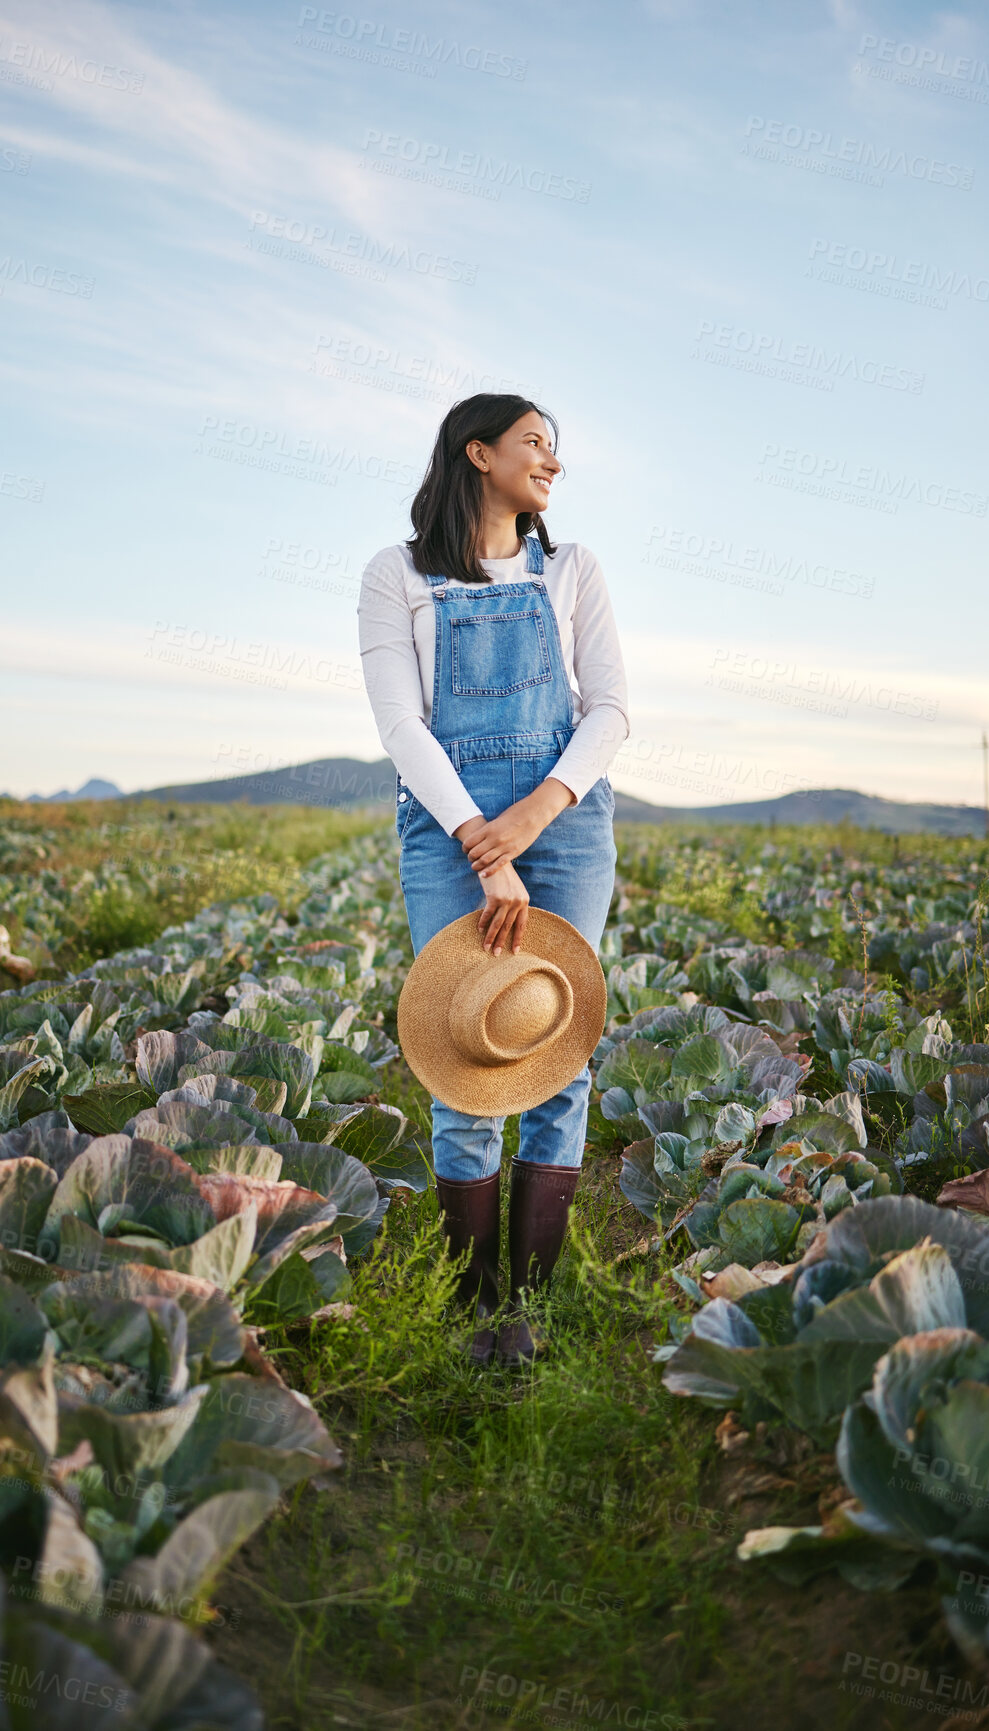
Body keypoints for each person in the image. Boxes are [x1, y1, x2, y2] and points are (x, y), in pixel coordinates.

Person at [357, 394, 629, 1365]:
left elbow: (609, 713)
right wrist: (481, 838)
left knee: (561, 1053)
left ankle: (533, 1309)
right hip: (447, 828)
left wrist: (532, 815)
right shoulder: (398, 576)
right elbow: (401, 726)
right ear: (479, 453)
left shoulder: (575, 571)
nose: (551, 464)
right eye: (534, 445)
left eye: (555, 449)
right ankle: (475, 1315)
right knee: (464, 1063)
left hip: (562, 825)